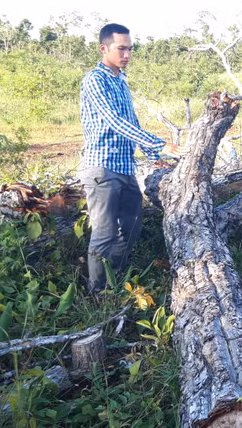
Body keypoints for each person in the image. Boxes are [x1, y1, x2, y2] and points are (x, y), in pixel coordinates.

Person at [78, 23, 185, 294]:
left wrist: (151, 155)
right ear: (104, 49)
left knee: (132, 227)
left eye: (130, 49)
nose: (126, 54)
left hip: (125, 168)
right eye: (121, 48)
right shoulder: (95, 79)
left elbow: (131, 121)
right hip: (102, 168)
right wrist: (158, 144)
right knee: (104, 233)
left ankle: (113, 281)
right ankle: (96, 293)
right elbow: (113, 121)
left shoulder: (121, 82)